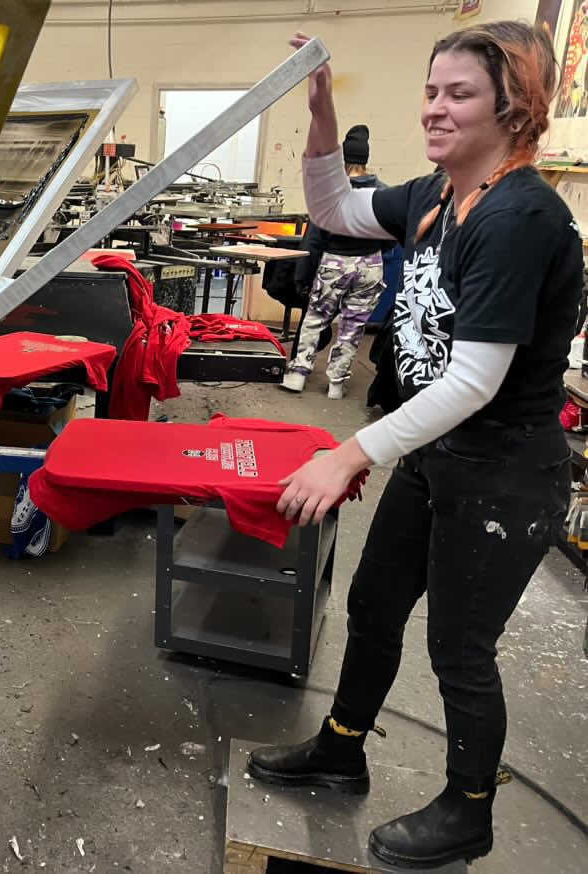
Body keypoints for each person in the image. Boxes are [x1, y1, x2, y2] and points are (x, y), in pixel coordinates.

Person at [248, 21, 582, 869]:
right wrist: (320, 108)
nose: (434, 108)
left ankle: (469, 811)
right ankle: (340, 749)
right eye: (431, 90)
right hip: (438, 458)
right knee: (373, 608)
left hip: (505, 472)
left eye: (458, 93)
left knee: (459, 651)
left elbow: (474, 381)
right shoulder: (435, 198)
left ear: (515, 109)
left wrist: (349, 450)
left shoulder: (518, 218)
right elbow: (330, 209)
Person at [283, 125, 392, 399]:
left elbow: (315, 240)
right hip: (370, 265)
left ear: (343, 159)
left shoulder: (331, 193)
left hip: (335, 262)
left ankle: (297, 375)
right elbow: (393, 235)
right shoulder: (384, 194)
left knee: (316, 319)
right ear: (365, 159)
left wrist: (302, 277)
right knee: (353, 326)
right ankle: (336, 384)